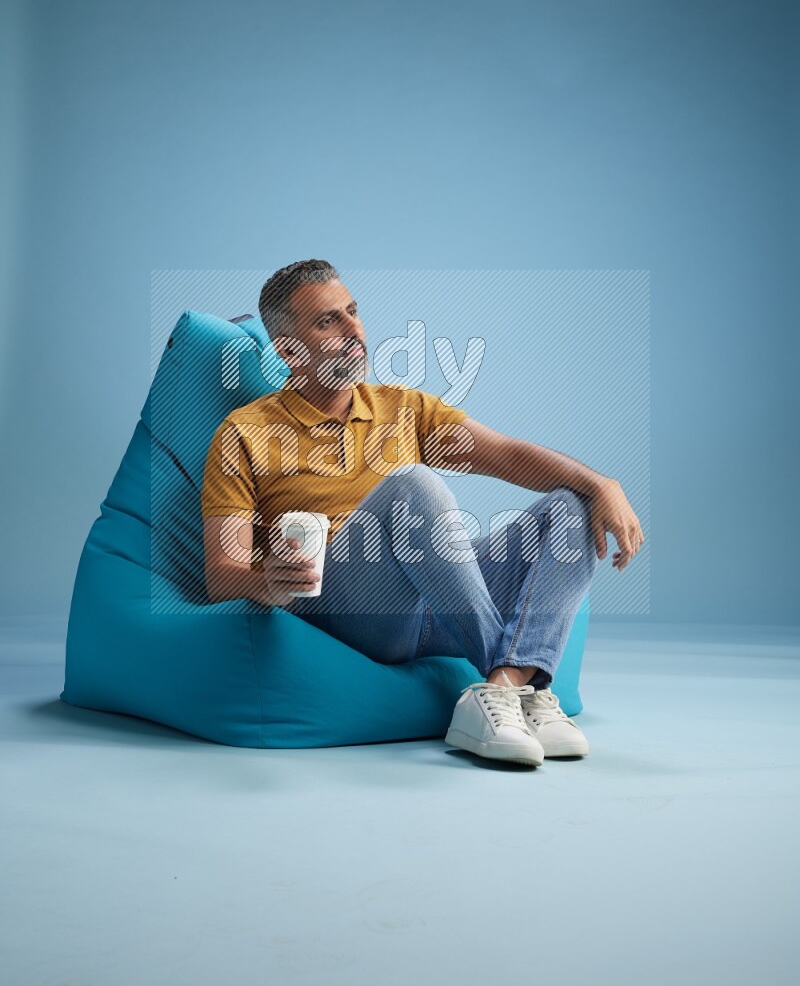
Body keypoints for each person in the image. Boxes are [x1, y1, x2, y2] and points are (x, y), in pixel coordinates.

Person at [201, 259, 645, 768]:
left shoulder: (402, 408)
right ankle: (522, 688)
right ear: (287, 349)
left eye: (352, 312)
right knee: (413, 484)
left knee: (573, 504)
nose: (353, 330)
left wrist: (602, 484)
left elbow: (508, 455)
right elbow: (220, 575)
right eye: (327, 321)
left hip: (436, 602)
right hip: (347, 607)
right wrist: (267, 582)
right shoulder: (244, 432)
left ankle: (506, 688)